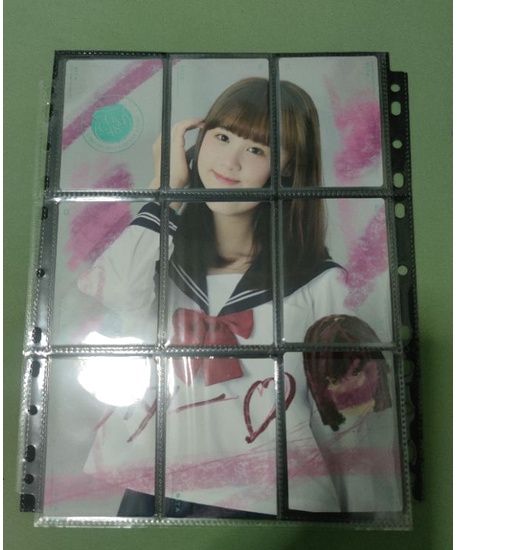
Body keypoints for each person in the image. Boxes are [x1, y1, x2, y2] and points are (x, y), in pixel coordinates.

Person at [77, 77, 401, 518]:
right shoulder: (160, 264)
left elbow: (354, 427)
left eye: (256, 149)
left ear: (287, 168)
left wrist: (360, 527)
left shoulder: (323, 286)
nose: (230, 162)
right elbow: (114, 291)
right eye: (222, 137)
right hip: (153, 490)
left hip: (268, 502)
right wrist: (164, 194)